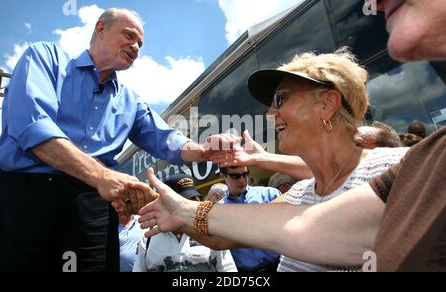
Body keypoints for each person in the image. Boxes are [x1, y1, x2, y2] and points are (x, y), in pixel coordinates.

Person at [136, 0, 446, 272]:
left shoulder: (402, 169)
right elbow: (222, 234)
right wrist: (178, 213)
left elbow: (307, 228)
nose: (271, 114)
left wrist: (185, 210)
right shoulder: (301, 194)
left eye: (281, 99)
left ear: (327, 104)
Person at [0, 8, 234, 272]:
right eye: (129, 35)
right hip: (27, 200)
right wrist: (103, 177)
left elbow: (165, 138)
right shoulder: (45, 58)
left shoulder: (130, 101)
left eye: (140, 44)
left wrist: (201, 151)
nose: (135, 47)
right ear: (100, 29)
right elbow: (32, 127)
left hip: (92, 208)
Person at [132, 174, 237, 272]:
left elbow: (228, 269)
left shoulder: (212, 232)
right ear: (166, 203)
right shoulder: (148, 239)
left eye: (196, 198)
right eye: (186, 200)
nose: (194, 203)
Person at [218, 166, 281, 272]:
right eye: (235, 176)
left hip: (280, 266)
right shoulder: (218, 211)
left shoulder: (270, 195)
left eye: (245, 174)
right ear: (223, 176)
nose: (242, 180)